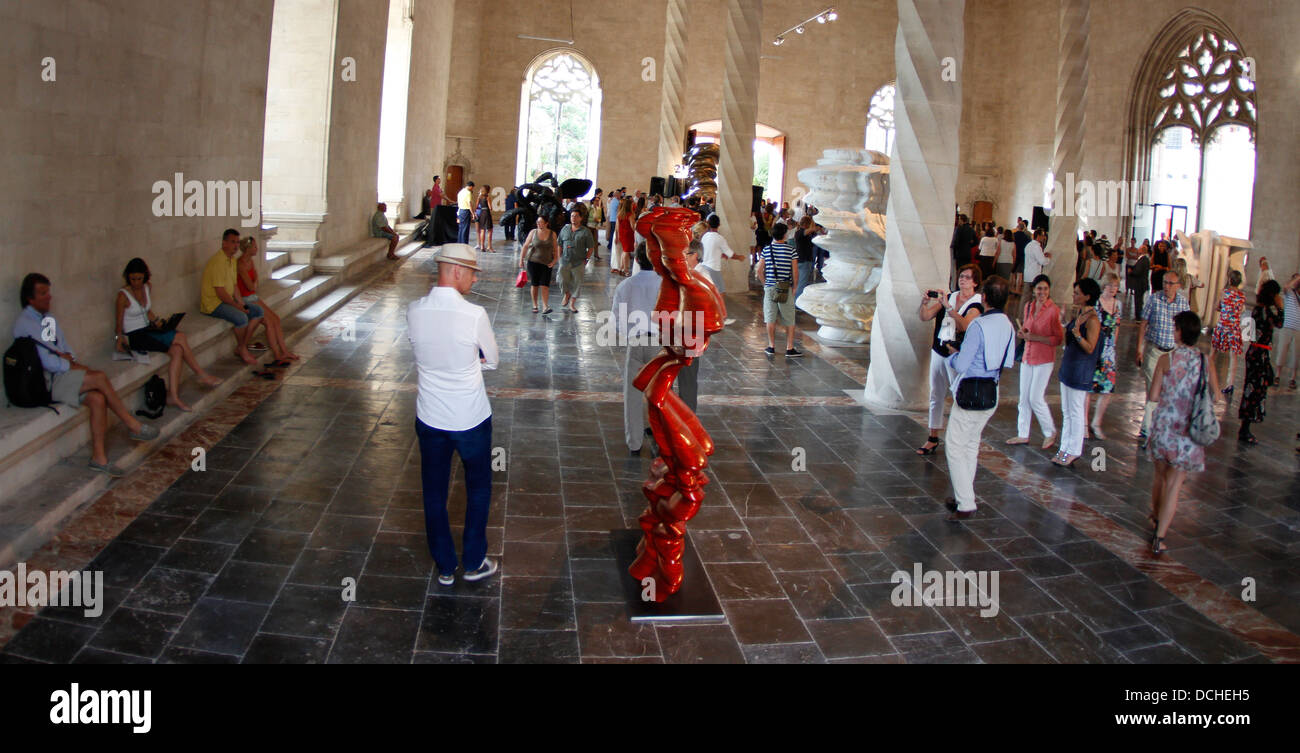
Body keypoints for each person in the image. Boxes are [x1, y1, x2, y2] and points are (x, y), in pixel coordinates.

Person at [408, 243, 499, 585]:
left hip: (430, 418)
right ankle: (474, 561)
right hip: (471, 418)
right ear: (457, 271)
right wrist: (468, 361)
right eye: (473, 273)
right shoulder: (473, 315)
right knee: (478, 489)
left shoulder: (414, 309)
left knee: (433, 491)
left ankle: (445, 566)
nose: (474, 280)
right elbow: (492, 359)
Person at [15, 274, 160, 477]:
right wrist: (69, 363)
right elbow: (47, 362)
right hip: (46, 383)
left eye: (48, 291)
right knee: (99, 377)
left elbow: (63, 348)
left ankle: (99, 459)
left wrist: (70, 360)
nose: (48, 296)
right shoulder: (26, 323)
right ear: (30, 298)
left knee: (98, 399)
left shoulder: (47, 319)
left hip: (61, 374)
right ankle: (132, 424)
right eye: (42, 293)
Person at [1147, 311, 1221, 555]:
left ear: (1179, 332)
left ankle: (1155, 517)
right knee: (1175, 485)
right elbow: (1217, 394)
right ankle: (1160, 537)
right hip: (1187, 431)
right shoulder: (1204, 361)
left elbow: (1154, 396)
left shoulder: (1165, 360)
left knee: (1160, 477)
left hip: (1164, 427)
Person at [942, 275, 1015, 520]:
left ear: (984, 298)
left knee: (954, 446)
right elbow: (1007, 361)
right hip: (991, 390)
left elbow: (962, 364)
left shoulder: (979, 326)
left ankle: (965, 504)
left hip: (971, 391)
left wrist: (952, 355)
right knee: (971, 445)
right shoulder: (1008, 324)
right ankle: (965, 495)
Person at [116, 258, 222, 412]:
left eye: (139, 278)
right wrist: (118, 340)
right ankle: (201, 374)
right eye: (133, 279)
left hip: (148, 329)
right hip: (135, 336)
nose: (136, 282)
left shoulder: (147, 287)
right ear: (128, 277)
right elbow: (118, 323)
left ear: (145, 276)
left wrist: (159, 322)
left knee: (177, 350)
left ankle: (173, 396)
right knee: (180, 337)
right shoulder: (123, 295)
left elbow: (146, 311)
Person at [917, 264, 984, 455]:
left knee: (958, 395)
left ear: (975, 282)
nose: (963, 280)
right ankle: (932, 436)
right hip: (940, 349)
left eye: (967, 277)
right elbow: (925, 316)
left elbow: (964, 325)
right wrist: (924, 303)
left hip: (958, 353)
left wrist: (949, 308)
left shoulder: (977, 303)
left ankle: (959, 438)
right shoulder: (951, 296)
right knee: (936, 393)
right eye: (961, 276)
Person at [611, 243, 660, 455]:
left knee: (632, 394)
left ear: (637, 260)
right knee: (660, 394)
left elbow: (617, 320)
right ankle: (661, 438)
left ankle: (634, 443)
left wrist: (629, 333)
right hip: (659, 343)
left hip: (636, 341)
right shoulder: (665, 284)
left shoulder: (626, 285)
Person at [1007, 274, 1061, 448]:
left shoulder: (1053, 310)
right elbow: (1027, 328)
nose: (1042, 292)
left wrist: (1034, 337)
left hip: (1044, 359)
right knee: (1024, 398)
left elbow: (1057, 339)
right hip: (1028, 356)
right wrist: (1023, 333)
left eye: (1045, 289)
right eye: (1039, 289)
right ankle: (1023, 433)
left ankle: (1050, 431)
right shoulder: (1029, 307)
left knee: (1035, 397)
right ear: (1033, 290)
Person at [1136, 271, 1190, 444]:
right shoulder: (1154, 299)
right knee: (1153, 388)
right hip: (1154, 351)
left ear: (1178, 286)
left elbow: (1186, 327)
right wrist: (1139, 348)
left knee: (1168, 390)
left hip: (1173, 353)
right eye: (1165, 283)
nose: (1167, 286)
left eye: (1171, 283)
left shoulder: (1182, 303)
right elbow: (1143, 323)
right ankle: (1147, 428)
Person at [1054, 279, 1102, 467]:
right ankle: (1064, 447)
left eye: (1077, 293)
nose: (1074, 296)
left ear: (1087, 296)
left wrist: (1076, 333)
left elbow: (1090, 347)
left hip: (1080, 369)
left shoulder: (1092, 320)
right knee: (1067, 410)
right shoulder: (1080, 313)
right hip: (1070, 364)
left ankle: (1074, 449)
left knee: (1075, 410)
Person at [201, 229, 265, 365]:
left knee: (258, 312)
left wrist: (241, 304)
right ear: (224, 243)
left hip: (226, 300)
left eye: (237, 242)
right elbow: (220, 292)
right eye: (232, 242)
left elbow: (234, 286)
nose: (236, 245)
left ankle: (242, 346)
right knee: (241, 318)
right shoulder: (218, 261)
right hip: (214, 304)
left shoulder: (232, 260)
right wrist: (238, 307)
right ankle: (243, 349)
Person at [236, 237, 298, 366]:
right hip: (246, 299)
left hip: (253, 296)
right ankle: (277, 354)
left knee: (275, 318)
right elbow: (251, 286)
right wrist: (254, 284)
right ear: (247, 249)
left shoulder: (251, 262)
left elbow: (254, 284)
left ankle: (284, 351)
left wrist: (254, 284)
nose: (257, 249)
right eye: (254, 247)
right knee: (270, 322)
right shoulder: (240, 264)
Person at [1238, 280, 1285, 444]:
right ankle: (1245, 428)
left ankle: (1245, 425)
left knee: (1252, 388)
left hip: (1255, 352)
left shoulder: (1258, 309)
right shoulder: (1265, 311)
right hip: (1259, 354)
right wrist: (1280, 307)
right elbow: (1279, 323)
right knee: (1255, 390)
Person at [1084, 273, 1123, 440]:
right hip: (1095, 348)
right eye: (1110, 285)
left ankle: (1096, 422)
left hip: (1108, 351)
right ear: (1103, 286)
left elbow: (1117, 326)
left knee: (1107, 389)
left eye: (1115, 286)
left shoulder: (1118, 305)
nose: (1113, 289)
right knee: (1089, 388)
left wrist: (1113, 345)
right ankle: (1084, 423)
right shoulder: (1096, 303)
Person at [756, 223, 799, 357]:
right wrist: (795, 287)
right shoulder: (791, 250)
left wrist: (765, 284)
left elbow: (759, 270)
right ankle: (789, 347)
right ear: (785, 234)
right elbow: (795, 271)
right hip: (784, 286)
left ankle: (771, 346)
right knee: (789, 318)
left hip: (770, 286)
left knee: (770, 317)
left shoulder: (766, 250)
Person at [1210, 269, 1246, 398]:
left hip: (1223, 324)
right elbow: (1239, 310)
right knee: (1233, 357)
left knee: (1213, 352)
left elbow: (1217, 307)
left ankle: (1206, 375)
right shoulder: (1242, 296)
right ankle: (1230, 384)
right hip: (1234, 327)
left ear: (1229, 280)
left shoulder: (1224, 292)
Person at [557, 207, 595, 313]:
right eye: (572, 216)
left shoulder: (585, 231)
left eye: (576, 216)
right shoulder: (565, 229)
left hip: (578, 262)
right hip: (565, 260)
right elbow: (559, 243)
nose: (574, 218)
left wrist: (586, 259)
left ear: (581, 218)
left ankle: (572, 303)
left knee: (577, 283)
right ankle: (566, 294)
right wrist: (559, 257)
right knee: (562, 280)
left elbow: (591, 247)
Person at [518, 213, 557, 313]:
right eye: (537, 222)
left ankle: (545, 306)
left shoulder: (552, 234)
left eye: (541, 222)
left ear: (546, 223)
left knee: (545, 285)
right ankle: (535, 305)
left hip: (547, 263)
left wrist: (554, 260)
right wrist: (521, 259)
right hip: (533, 261)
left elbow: (555, 249)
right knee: (534, 284)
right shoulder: (533, 232)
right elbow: (526, 246)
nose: (538, 224)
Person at [699, 213, 741, 293]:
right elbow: (731, 254)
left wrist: (721, 254)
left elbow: (709, 250)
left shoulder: (704, 236)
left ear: (708, 223)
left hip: (703, 266)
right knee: (721, 291)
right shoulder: (720, 238)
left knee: (708, 291)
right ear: (719, 225)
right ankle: (719, 306)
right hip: (713, 268)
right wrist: (740, 257)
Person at [1273, 273, 1300, 390]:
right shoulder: (1289, 294)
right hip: (1286, 327)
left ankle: (1292, 378)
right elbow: (1286, 287)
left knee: (1296, 355)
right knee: (1282, 352)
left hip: (1298, 329)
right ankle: (1277, 376)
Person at [793, 215, 825, 304]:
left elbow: (814, 230)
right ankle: (797, 303)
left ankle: (795, 301)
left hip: (801, 260)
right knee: (801, 283)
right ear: (807, 224)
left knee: (799, 282)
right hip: (804, 261)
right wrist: (813, 222)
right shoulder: (800, 232)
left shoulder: (802, 233)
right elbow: (813, 229)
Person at [949, 214, 977, 287]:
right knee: (967, 271)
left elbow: (956, 241)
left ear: (961, 220)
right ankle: (967, 285)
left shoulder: (959, 229)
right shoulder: (971, 229)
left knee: (960, 272)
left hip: (960, 253)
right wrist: (969, 246)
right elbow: (976, 241)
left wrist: (954, 247)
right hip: (968, 253)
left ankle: (959, 287)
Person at [1127, 243, 1151, 319]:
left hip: (1139, 284)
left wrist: (1131, 272)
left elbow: (1138, 271)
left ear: (1142, 250)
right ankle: (1139, 315)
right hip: (1142, 283)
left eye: (1139, 249)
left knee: (1138, 301)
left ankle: (1138, 317)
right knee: (1139, 301)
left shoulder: (1143, 260)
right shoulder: (1144, 259)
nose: (1138, 250)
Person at [616, 196, 636, 277]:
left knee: (624, 251)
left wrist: (617, 236)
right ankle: (626, 270)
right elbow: (633, 226)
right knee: (626, 252)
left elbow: (617, 227)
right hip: (628, 235)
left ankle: (621, 268)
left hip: (622, 234)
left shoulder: (620, 214)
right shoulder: (630, 214)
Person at [1011, 221, 1030, 294]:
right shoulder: (1027, 237)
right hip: (1022, 256)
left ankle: (1011, 289)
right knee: (1020, 274)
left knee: (1012, 273)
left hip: (1014, 255)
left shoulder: (1013, 235)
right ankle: (1017, 290)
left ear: (1018, 227)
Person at [586, 188, 605, 260]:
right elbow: (586, 216)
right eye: (596, 201)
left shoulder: (599, 209)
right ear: (593, 201)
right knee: (588, 241)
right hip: (589, 226)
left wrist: (598, 220)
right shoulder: (589, 208)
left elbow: (600, 218)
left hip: (595, 226)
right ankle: (587, 254)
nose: (597, 202)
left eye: (598, 201)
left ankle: (596, 254)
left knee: (596, 241)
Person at [474, 185, 494, 252]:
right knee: (490, 230)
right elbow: (490, 207)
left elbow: (476, 206)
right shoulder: (488, 197)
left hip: (481, 213)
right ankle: (489, 246)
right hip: (487, 213)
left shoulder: (479, 197)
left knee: (482, 230)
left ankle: (482, 246)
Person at [456, 180, 476, 245]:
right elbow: (469, 203)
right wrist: (473, 213)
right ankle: (464, 243)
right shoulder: (468, 193)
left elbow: (458, 202)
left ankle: (459, 242)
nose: (472, 189)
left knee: (461, 228)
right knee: (465, 228)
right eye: (472, 188)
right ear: (470, 187)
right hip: (466, 211)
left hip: (461, 210)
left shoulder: (460, 192)